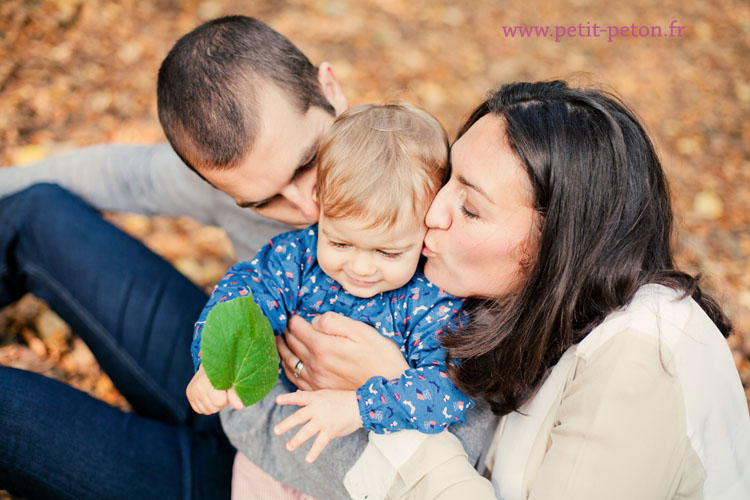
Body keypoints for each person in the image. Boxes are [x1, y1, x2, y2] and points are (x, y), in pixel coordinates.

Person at [0, 16, 495, 500]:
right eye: (263, 201)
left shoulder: (422, 192)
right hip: (235, 388)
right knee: (36, 210)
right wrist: (212, 358)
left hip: (300, 468)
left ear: (330, 88)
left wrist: (376, 384)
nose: (309, 206)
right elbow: (123, 175)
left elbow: (467, 426)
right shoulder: (237, 175)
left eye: (307, 162)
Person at [285, 81, 750, 500]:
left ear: (561, 242)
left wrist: (386, 392)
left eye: (470, 208)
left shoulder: (640, 362)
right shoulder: (511, 305)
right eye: (446, 180)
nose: (430, 214)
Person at [187, 103, 473, 497]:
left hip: (353, 473)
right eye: (340, 242)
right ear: (321, 203)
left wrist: (358, 406)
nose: (360, 267)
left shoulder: (430, 301)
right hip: (269, 461)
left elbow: (447, 392)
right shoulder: (300, 255)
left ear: (427, 225)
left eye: (388, 253)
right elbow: (245, 293)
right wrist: (214, 359)